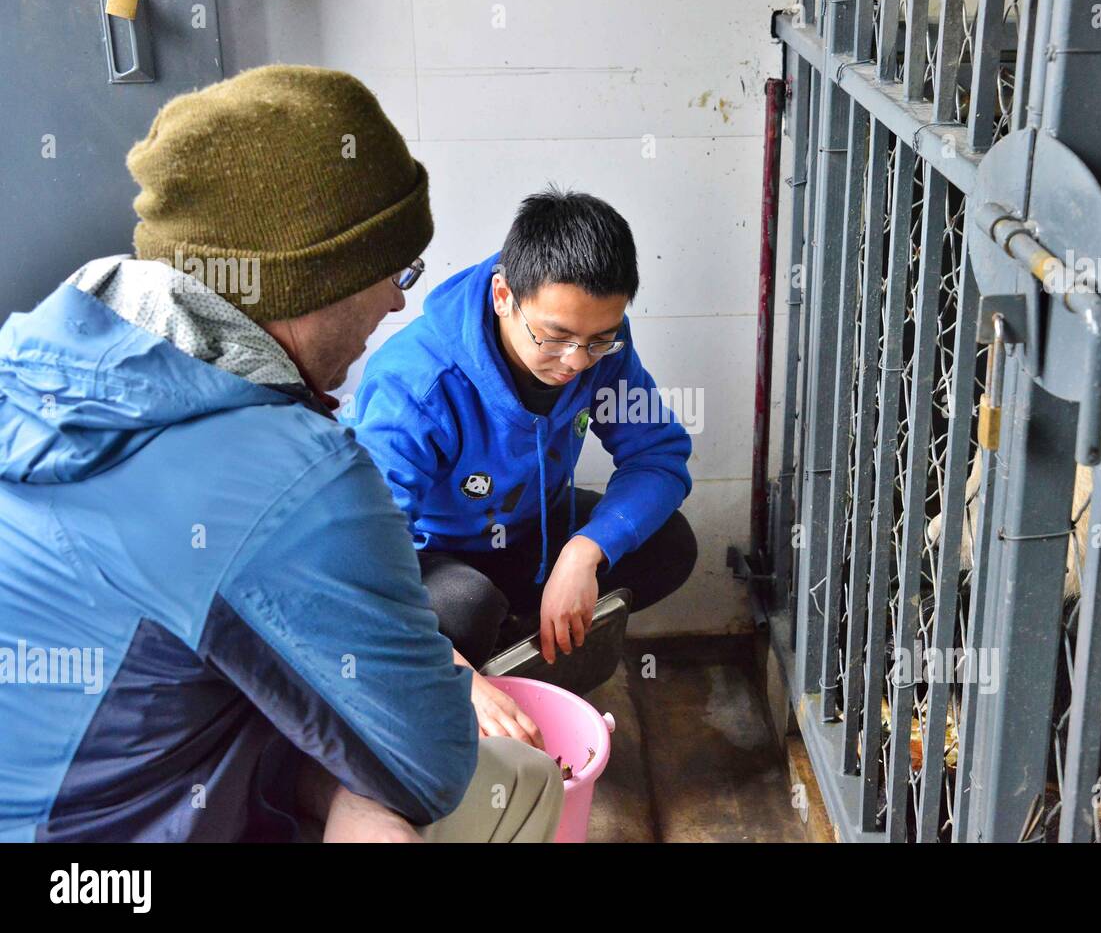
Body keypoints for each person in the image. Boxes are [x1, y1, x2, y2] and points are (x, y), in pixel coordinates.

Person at [0, 65, 561, 842]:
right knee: (516, 785)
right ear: (309, 282)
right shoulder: (293, 476)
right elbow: (430, 765)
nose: (399, 301)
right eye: (391, 272)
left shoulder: (29, 360)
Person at [354, 188, 697, 746]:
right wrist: (455, 674)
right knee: (463, 607)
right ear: (502, 294)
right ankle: (479, 669)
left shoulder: (599, 346)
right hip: (438, 558)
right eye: (556, 337)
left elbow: (658, 457)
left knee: (668, 545)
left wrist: (585, 551)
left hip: (537, 531)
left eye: (599, 340)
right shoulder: (415, 384)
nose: (576, 362)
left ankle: (522, 645)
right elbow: (362, 559)